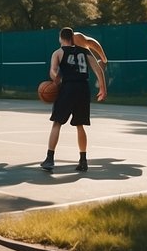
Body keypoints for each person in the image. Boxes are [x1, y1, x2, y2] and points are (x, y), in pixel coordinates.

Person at [41, 27, 107, 172]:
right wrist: (103, 88)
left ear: (60, 38)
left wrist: (55, 78)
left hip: (68, 88)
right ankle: (83, 160)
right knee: (80, 125)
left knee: (57, 123)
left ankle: (49, 159)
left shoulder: (58, 53)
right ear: (72, 37)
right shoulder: (85, 51)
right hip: (83, 89)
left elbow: (53, 71)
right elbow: (98, 69)